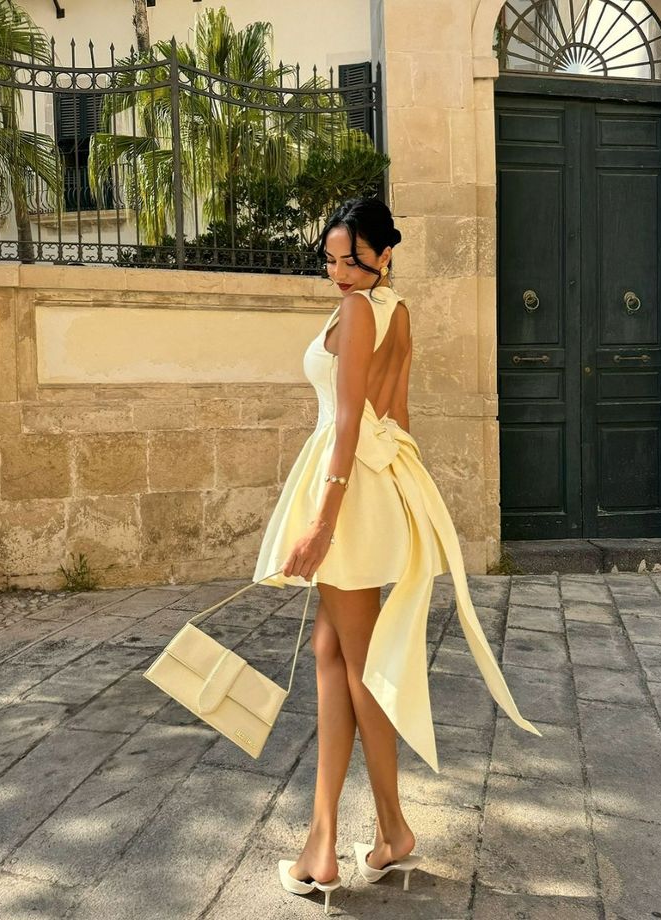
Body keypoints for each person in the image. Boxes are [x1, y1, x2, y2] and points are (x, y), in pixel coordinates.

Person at [251, 196, 542, 910]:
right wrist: (399, 500)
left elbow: (350, 418)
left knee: (357, 666)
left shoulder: (359, 311)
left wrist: (322, 520)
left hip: (346, 492)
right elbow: (399, 418)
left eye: (351, 258)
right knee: (336, 657)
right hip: (373, 487)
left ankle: (340, 845)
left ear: (383, 254)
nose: (339, 272)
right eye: (330, 259)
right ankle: (380, 833)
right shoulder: (397, 310)